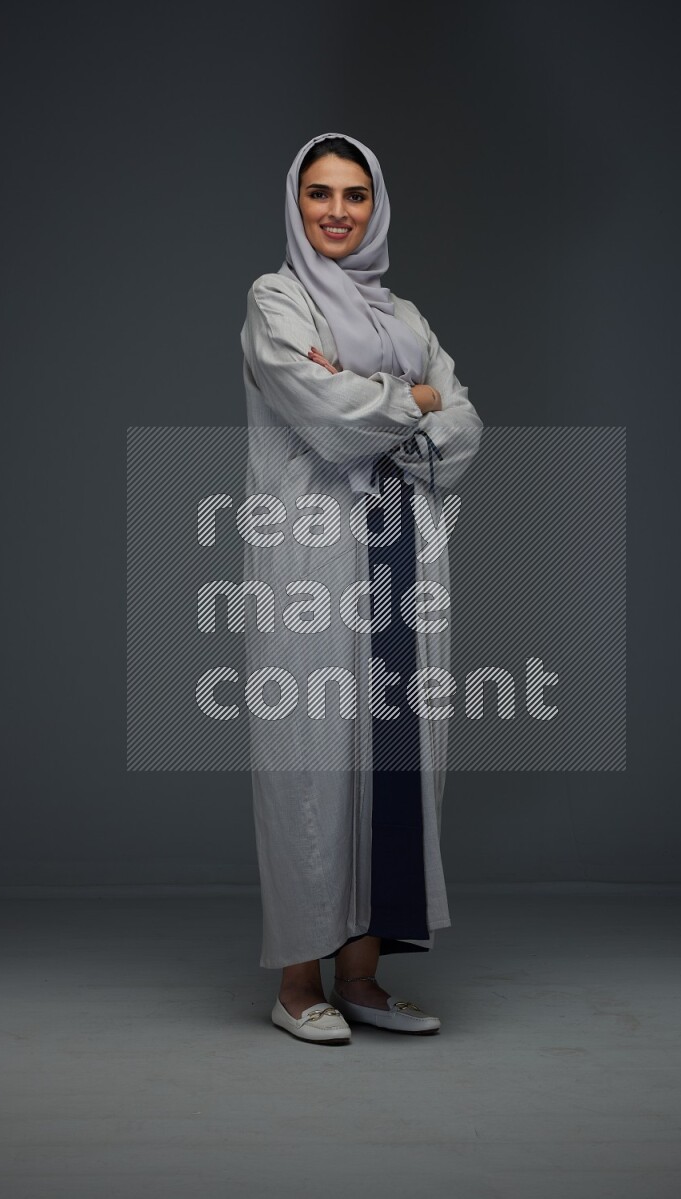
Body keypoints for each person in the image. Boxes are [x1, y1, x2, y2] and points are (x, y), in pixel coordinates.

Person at [239, 132, 482, 1043]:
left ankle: (363, 978)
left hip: (404, 558)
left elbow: (465, 431)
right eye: (319, 194)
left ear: (375, 207)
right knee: (310, 758)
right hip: (311, 559)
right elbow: (329, 424)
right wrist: (408, 400)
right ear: (295, 203)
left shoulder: (406, 316)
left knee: (395, 759)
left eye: (353, 196)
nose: (337, 212)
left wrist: (385, 397)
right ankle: (298, 983)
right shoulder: (275, 299)